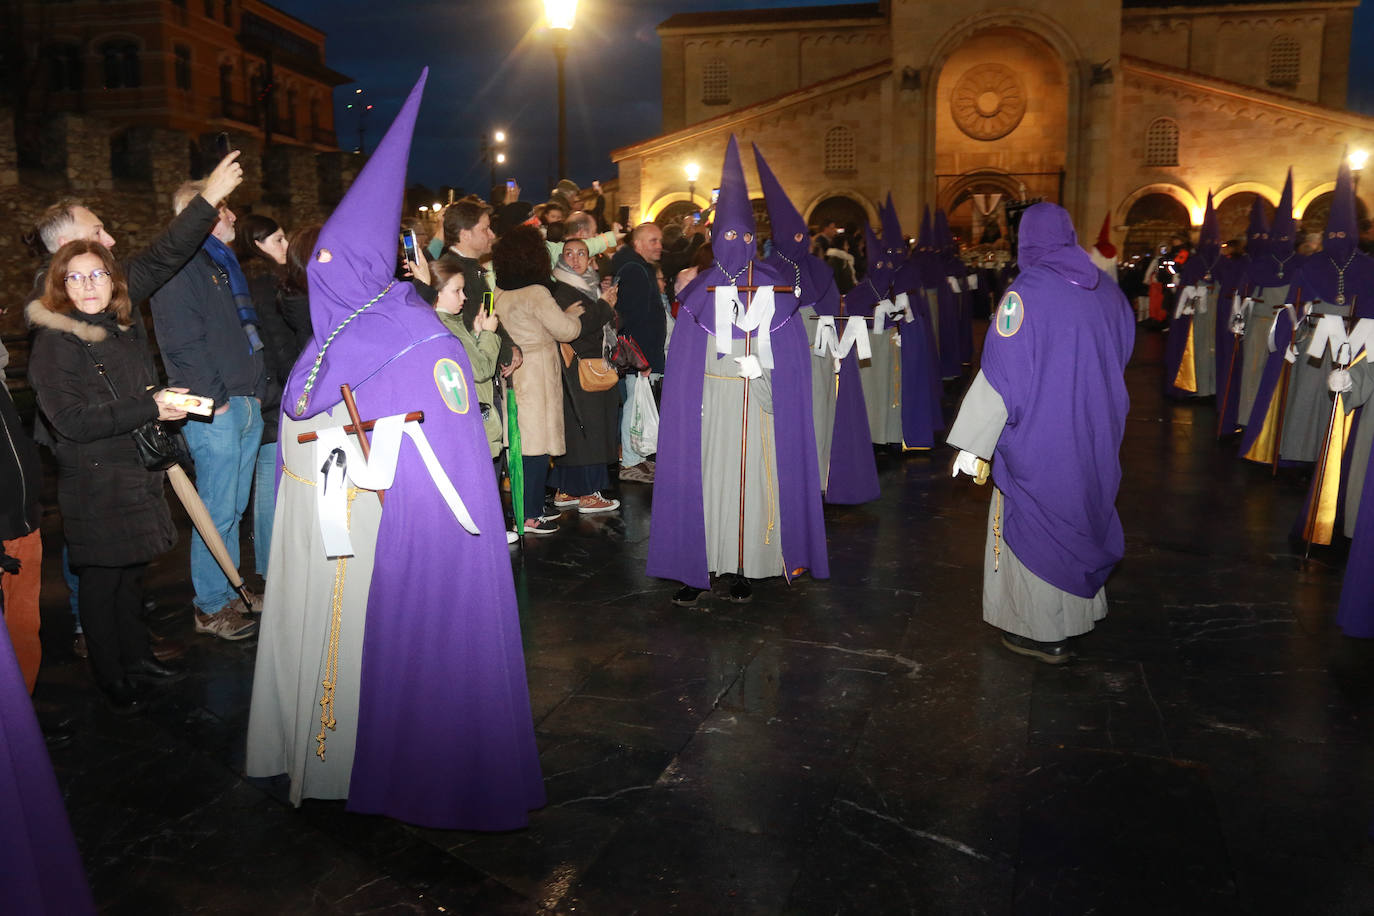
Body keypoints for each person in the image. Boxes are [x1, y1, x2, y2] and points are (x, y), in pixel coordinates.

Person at [246, 70, 545, 829]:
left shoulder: (413, 335)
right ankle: (329, 755)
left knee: (375, 658)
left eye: (329, 267)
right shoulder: (333, 337)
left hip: (382, 534)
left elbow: (440, 443)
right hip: (331, 524)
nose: (319, 279)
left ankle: (379, 761)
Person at [948, 202, 1134, 664]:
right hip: (1095, 428)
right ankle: (1082, 612)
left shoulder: (1025, 293)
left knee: (1039, 520)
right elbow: (1124, 353)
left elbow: (1002, 373)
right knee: (1084, 508)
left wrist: (974, 443)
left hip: (1043, 434)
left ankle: (1044, 630)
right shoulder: (1108, 292)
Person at [647, 135, 830, 606]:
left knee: (752, 487)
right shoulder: (696, 293)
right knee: (706, 484)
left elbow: (793, 360)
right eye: (728, 236)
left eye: (746, 237)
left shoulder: (778, 290)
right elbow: (682, 360)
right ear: (713, 238)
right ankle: (699, 565)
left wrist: (763, 368)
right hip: (711, 410)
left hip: (758, 407)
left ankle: (747, 566)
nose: (738, 244)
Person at [27, 241, 190, 710]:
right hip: (95, 478)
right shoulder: (54, 343)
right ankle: (110, 674)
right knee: (101, 581)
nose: (87, 285)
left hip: (132, 470)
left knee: (130, 575)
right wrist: (149, 405)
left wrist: (164, 402)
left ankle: (137, 657)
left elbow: (131, 391)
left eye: (96, 274)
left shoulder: (119, 329)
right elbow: (72, 420)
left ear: (113, 280)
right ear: (60, 286)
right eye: (74, 277)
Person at [150, 182, 265, 641]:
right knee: (216, 508)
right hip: (216, 407)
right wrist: (214, 400)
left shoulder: (218, 264)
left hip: (241, 399)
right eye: (223, 208)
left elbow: (239, 331)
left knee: (232, 507)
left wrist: (254, 392)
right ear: (197, 215)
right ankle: (211, 605)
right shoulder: (180, 267)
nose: (233, 216)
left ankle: (232, 589)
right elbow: (182, 342)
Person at [754, 142, 878, 505]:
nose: (797, 242)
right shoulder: (766, 272)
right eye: (789, 236)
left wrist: (839, 345)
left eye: (800, 235)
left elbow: (832, 309)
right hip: (780, 352)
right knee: (786, 414)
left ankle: (820, 476)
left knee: (819, 412)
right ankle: (783, 475)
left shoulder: (820, 268)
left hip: (819, 351)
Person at [493, 226, 585, 534]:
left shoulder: (498, 291)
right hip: (538, 373)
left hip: (513, 372)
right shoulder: (537, 292)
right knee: (536, 446)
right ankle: (530, 514)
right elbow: (566, 330)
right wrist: (573, 315)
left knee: (519, 443)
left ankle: (527, 507)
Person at [234, 214, 299, 577]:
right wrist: (295, 383)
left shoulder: (249, 279)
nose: (285, 246)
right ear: (257, 244)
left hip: (265, 390)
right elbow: (276, 341)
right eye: (277, 240)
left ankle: (269, 564)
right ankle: (272, 567)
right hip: (275, 391)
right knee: (271, 479)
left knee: (267, 478)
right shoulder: (263, 282)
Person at [549, 239, 621, 514]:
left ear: (590, 258)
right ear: (562, 258)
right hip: (578, 368)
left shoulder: (588, 285)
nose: (576, 259)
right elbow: (580, 327)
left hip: (589, 365)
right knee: (587, 430)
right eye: (570, 253)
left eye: (582, 253)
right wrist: (603, 305)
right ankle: (590, 493)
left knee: (584, 430)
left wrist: (606, 304)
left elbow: (606, 321)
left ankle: (566, 489)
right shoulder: (560, 289)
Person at [611, 222, 666, 483]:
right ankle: (631, 462)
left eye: (659, 240)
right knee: (635, 407)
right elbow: (629, 316)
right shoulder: (634, 270)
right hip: (639, 356)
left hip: (643, 354)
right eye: (653, 241)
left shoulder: (639, 268)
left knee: (639, 407)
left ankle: (638, 459)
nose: (659, 246)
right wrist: (639, 358)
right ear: (638, 244)